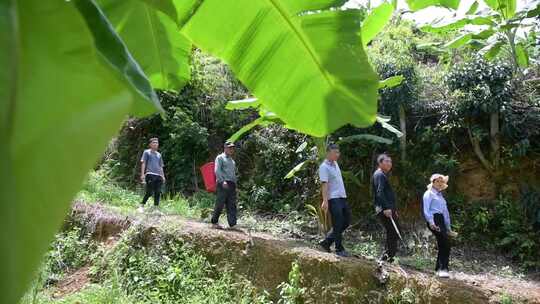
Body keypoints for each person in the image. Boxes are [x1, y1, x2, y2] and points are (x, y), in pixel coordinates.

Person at [318, 144, 352, 257]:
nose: (338, 155)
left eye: (338, 152)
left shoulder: (335, 164)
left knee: (346, 221)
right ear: (328, 153)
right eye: (335, 152)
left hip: (342, 196)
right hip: (333, 198)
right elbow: (324, 184)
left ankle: (327, 242)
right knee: (338, 223)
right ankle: (339, 248)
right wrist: (325, 201)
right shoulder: (324, 167)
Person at [423, 174, 458, 278]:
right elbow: (426, 210)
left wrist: (448, 228)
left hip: (441, 220)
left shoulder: (441, 196)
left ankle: (439, 269)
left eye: (441, 182)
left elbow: (446, 214)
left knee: (444, 243)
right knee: (445, 243)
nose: (439, 183)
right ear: (433, 182)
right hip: (434, 219)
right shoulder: (428, 194)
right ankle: (443, 269)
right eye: (437, 181)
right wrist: (432, 223)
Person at [372, 153, 402, 263]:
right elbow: (380, 193)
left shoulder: (382, 175)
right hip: (384, 209)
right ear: (380, 163)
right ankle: (388, 257)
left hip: (388, 208)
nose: (390, 164)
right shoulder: (379, 175)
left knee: (392, 231)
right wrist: (386, 208)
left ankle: (387, 256)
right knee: (393, 231)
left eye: (391, 162)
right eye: (387, 161)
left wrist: (393, 210)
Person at [211, 141, 238, 229]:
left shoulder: (232, 161)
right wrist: (222, 181)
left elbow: (233, 174)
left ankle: (232, 224)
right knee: (220, 203)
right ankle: (214, 222)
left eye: (232, 148)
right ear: (225, 148)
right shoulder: (220, 158)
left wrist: (235, 185)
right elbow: (217, 170)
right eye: (229, 148)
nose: (231, 150)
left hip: (231, 184)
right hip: (223, 183)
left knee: (232, 205)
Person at [139, 138, 165, 212]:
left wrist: (163, 176)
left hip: (158, 175)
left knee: (158, 192)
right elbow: (143, 163)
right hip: (150, 174)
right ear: (150, 144)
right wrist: (142, 174)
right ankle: (141, 206)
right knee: (149, 192)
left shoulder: (159, 154)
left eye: (157, 143)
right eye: (153, 142)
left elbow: (161, 166)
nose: (155, 144)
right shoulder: (146, 152)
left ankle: (156, 208)